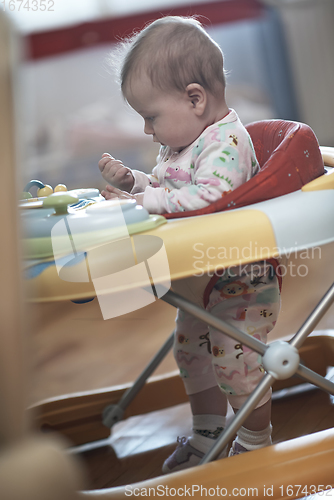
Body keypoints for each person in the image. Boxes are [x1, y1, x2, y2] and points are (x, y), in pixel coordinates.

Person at [98, 16, 281, 473]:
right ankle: (208, 437)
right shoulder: (181, 145)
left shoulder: (226, 143)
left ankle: (257, 444)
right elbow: (169, 188)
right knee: (192, 352)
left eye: (151, 116)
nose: (146, 130)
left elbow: (209, 197)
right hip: (205, 278)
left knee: (235, 361)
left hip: (243, 280)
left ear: (194, 99)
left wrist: (146, 200)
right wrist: (134, 182)